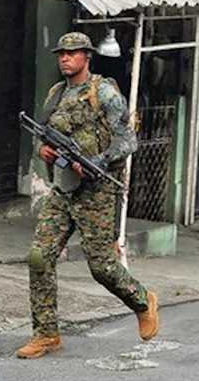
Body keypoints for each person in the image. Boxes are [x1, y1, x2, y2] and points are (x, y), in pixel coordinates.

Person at [17, 32, 159, 359]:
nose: (64, 58)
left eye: (72, 53)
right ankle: (46, 333)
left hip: (96, 192)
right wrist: (44, 151)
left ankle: (142, 300)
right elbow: (43, 134)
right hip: (63, 189)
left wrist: (98, 161)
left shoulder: (104, 93)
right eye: (61, 54)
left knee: (101, 266)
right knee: (39, 256)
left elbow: (128, 141)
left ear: (86, 56)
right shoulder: (56, 93)